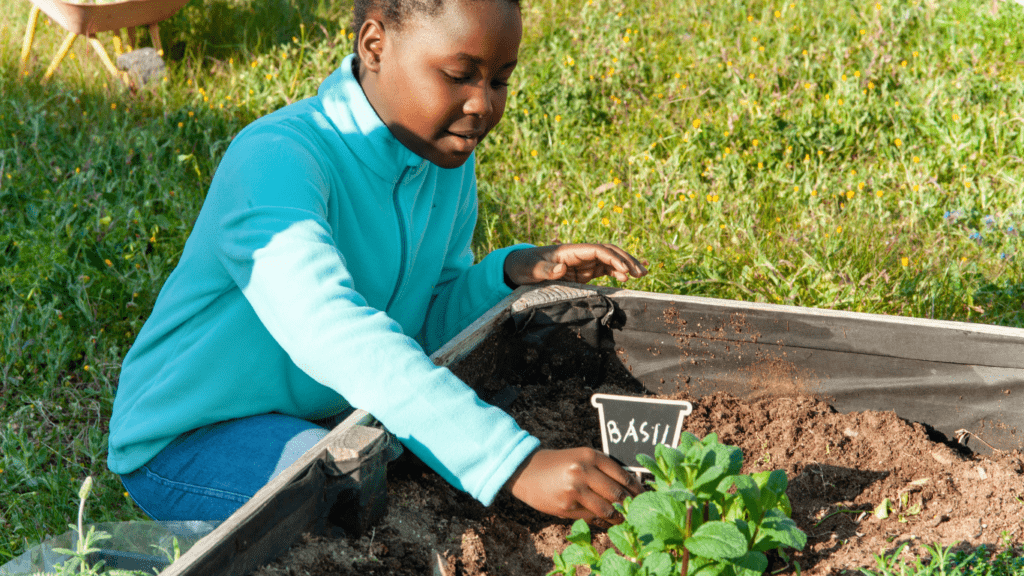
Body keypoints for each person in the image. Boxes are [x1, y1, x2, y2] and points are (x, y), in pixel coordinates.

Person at [107, 0, 649, 528]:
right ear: (375, 45)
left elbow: (421, 327)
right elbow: (332, 331)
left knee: (402, 469)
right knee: (354, 505)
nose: (483, 104)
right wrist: (515, 462)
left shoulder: (442, 161)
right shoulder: (277, 160)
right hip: (194, 436)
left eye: (500, 80)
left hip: (333, 410)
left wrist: (507, 273)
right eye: (460, 74)